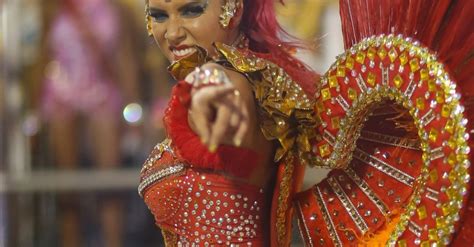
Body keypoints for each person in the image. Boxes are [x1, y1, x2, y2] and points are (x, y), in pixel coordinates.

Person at [138, 0, 320, 245]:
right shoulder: (253, 81)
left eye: (192, 11)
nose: (172, 32)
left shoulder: (237, 83)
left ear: (232, 8)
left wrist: (209, 79)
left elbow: (224, 90)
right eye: (159, 16)